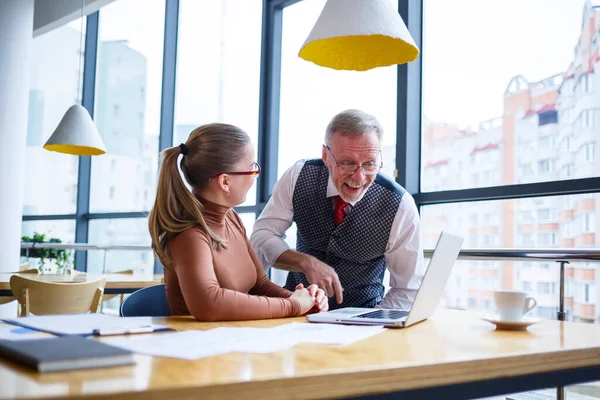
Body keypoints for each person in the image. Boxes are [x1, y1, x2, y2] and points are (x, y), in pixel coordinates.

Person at [148, 123, 327, 321]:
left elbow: (259, 285)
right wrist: (293, 305)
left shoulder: (231, 217)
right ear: (225, 182)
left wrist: (306, 302)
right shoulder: (189, 233)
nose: (255, 177)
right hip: (202, 346)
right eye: (252, 169)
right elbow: (209, 304)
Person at [250, 109, 425, 311]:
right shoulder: (298, 176)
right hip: (295, 311)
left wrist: (373, 321)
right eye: (347, 163)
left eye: (369, 164)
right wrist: (306, 262)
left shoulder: (400, 206)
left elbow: (408, 289)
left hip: (364, 316)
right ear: (326, 156)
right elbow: (262, 237)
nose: (359, 177)